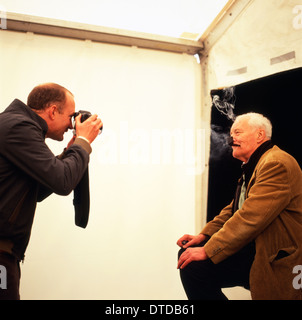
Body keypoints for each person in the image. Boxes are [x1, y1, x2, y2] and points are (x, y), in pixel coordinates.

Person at [177, 112, 302, 300]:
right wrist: (204, 236)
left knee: (194, 266)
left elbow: (250, 217)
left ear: (260, 135)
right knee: (189, 260)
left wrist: (208, 249)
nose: (231, 138)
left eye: (238, 132)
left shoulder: (275, 163)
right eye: (231, 133)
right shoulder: (256, 165)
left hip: (273, 256)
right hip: (253, 250)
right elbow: (234, 209)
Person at [0, 83, 103, 300]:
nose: (71, 123)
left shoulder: (15, 125)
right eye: (71, 115)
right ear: (53, 111)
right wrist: (83, 143)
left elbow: (36, 189)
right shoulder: (19, 127)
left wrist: (71, 151)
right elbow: (63, 182)